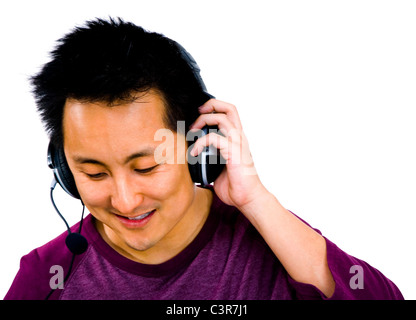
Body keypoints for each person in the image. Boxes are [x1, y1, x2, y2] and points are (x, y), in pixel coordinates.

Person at [5, 17, 403, 300]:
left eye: (146, 166)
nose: (125, 201)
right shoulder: (47, 277)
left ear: (200, 143)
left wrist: (256, 201)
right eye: (93, 173)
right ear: (62, 167)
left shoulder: (273, 243)